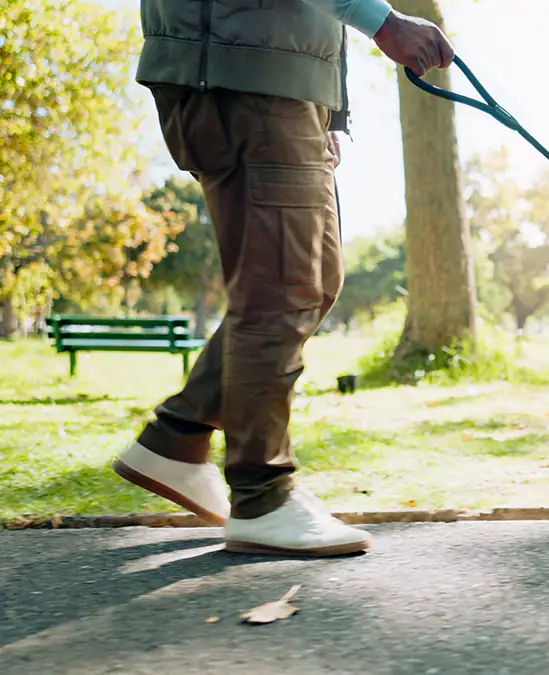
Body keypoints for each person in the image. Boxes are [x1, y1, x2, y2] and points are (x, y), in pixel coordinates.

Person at [112, 0, 453, 557]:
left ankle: (177, 437)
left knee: (314, 280)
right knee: (280, 289)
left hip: (277, 78)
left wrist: (327, 112)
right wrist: (384, 22)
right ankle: (261, 496)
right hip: (246, 73)